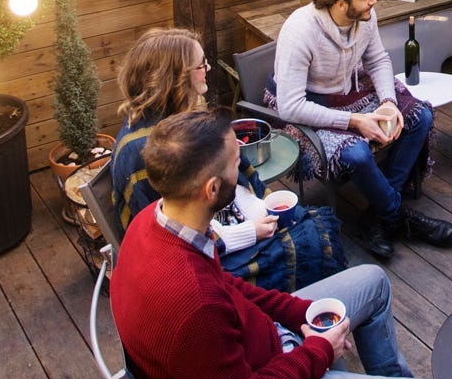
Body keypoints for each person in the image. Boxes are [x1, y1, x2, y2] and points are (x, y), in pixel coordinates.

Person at [110, 109, 452, 379]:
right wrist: (318, 351)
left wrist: (297, 312)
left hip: (263, 346)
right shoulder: (190, 303)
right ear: (210, 189)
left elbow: (229, 288)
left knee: (373, 282)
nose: (242, 160)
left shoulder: (155, 222)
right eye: (235, 161)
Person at [111, 27, 346, 293]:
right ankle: (304, 313)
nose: (208, 68)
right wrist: (249, 230)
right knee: (312, 239)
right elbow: (171, 237)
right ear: (175, 78)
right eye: (201, 65)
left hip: (218, 222)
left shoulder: (179, 115)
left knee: (310, 224)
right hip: (195, 267)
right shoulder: (145, 151)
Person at [271, 0, 452, 259]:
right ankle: (399, 217)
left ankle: (375, 215)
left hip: (352, 88)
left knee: (418, 116)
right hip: (310, 103)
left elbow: (378, 60)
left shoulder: (364, 18)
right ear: (340, 3)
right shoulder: (300, 30)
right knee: (356, 153)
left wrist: (386, 102)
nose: (373, 1)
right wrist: (356, 121)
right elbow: (289, 106)